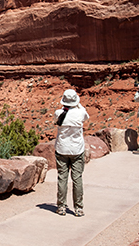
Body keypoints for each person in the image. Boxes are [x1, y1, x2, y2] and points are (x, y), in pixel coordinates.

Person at [55, 89, 89, 217]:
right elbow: (85, 115)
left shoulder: (59, 113)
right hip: (77, 150)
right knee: (77, 178)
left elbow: (56, 119)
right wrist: (78, 104)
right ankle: (78, 208)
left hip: (62, 149)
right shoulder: (80, 113)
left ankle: (61, 206)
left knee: (62, 178)